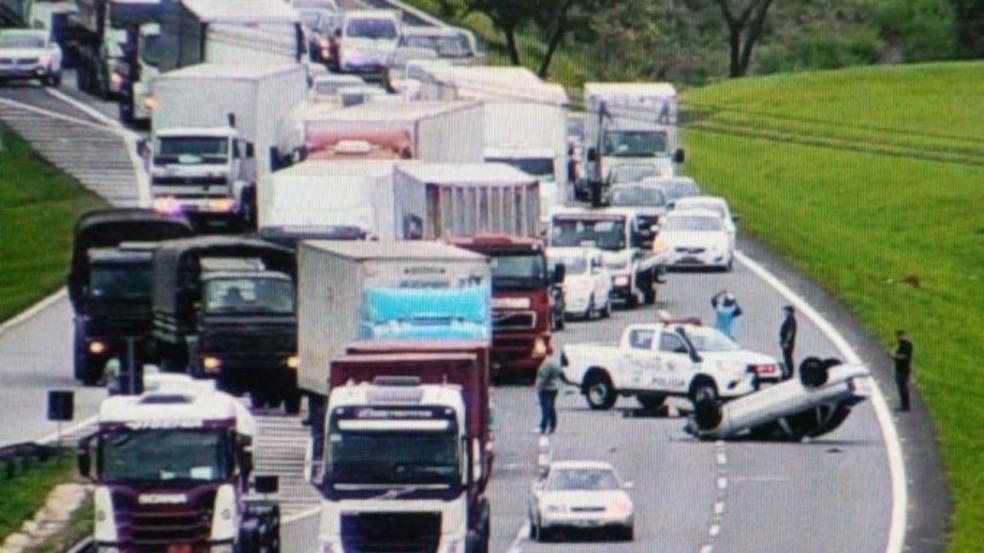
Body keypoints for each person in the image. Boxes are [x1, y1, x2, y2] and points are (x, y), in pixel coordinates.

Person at [535, 361, 564, 434]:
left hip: (545, 389)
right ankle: (552, 425)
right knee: (551, 408)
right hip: (554, 388)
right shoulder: (556, 367)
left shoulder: (545, 367)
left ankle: (543, 426)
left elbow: (544, 379)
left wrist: (539, 387)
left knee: (545, 408)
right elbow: (564, 377)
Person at [891, 329, 913, 412]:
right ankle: (903, 404)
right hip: (899, 368)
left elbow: (905, 357)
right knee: (901, 387)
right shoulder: (901, 344)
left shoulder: (907, 345)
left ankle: (905, 405)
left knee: (903, 387)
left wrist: (895, 356)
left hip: (903, 369)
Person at [779, 305, 798, 380]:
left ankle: (789, 373)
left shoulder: (791, 320)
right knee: (786, 357)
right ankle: (788, 372)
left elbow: (790, 332)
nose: (784, 312)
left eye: (785, 311)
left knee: (788, 357)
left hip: (788, 343)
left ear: (789, 311)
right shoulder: (789, 319)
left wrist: (786, 342)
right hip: (787, 342)